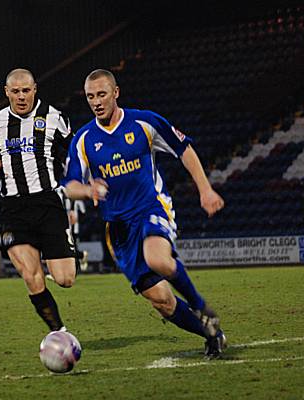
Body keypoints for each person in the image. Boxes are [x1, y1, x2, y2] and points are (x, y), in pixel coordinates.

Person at [62, 69, 227, 358]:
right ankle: (211, 333)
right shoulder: (84, 139)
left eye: (102, 94)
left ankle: (201, 307)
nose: (96, 102)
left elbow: (183, 149)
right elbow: (69, 185)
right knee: (161, 300)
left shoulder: (144, 122)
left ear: (116, 93)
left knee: (158, 259)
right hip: (119, 230)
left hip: (151, 208)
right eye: (90, 97)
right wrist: (87, 191)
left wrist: (205, 190)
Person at [0, 68, 77, 332]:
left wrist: (79, 185)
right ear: (7, 92)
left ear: (35, 89)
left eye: (26, 90)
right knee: (31, 276)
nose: (21, 96)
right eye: (15, 91)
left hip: (48, 203)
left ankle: (62, 245)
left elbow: (74, 156)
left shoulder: (54, 117)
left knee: (65, 279)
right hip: (13, 208)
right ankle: (59, 333)